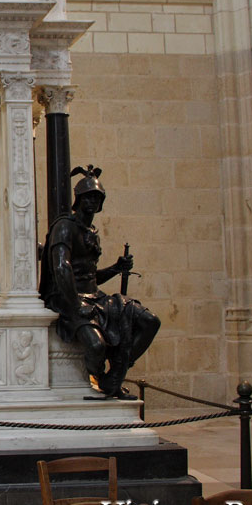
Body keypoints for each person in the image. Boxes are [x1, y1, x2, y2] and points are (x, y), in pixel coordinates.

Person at [40, 165, 160, 399]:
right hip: (70, 299)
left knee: (150, 321)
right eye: (88, 197)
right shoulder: (65, 227)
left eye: (97, 197)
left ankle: (115, 372)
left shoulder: (91, 230)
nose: (92, 202)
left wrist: (116, 268)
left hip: (97, 298)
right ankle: (104, 378)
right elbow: (61, 269)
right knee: (96, 347)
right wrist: (76, 306)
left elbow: (90, 277)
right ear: (78, 199)